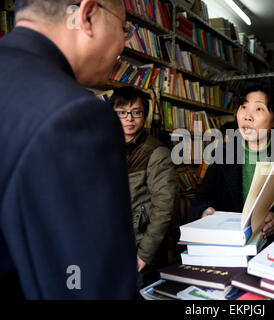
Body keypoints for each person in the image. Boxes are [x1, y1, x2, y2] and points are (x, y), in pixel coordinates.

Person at [0, 0, 137, 299]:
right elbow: (90, 286)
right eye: (124, 29)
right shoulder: (76, 114)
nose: (123, 45)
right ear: (87, 15)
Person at [189, 81, 274, 242]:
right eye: (244, 107)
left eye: (259, 109)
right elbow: (201, 198)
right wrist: (205, 211)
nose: (247, 115)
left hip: (271, 249)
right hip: (228, 245)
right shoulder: (223, 154)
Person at [110, 86, 177, 290]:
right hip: (111, 245)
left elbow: (164, 208)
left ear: (145, 115)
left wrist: (144, 254)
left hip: (139, 248)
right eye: (122, 112)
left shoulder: (156, 151)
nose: (129, 118)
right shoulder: (104, 146)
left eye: (136, 112)